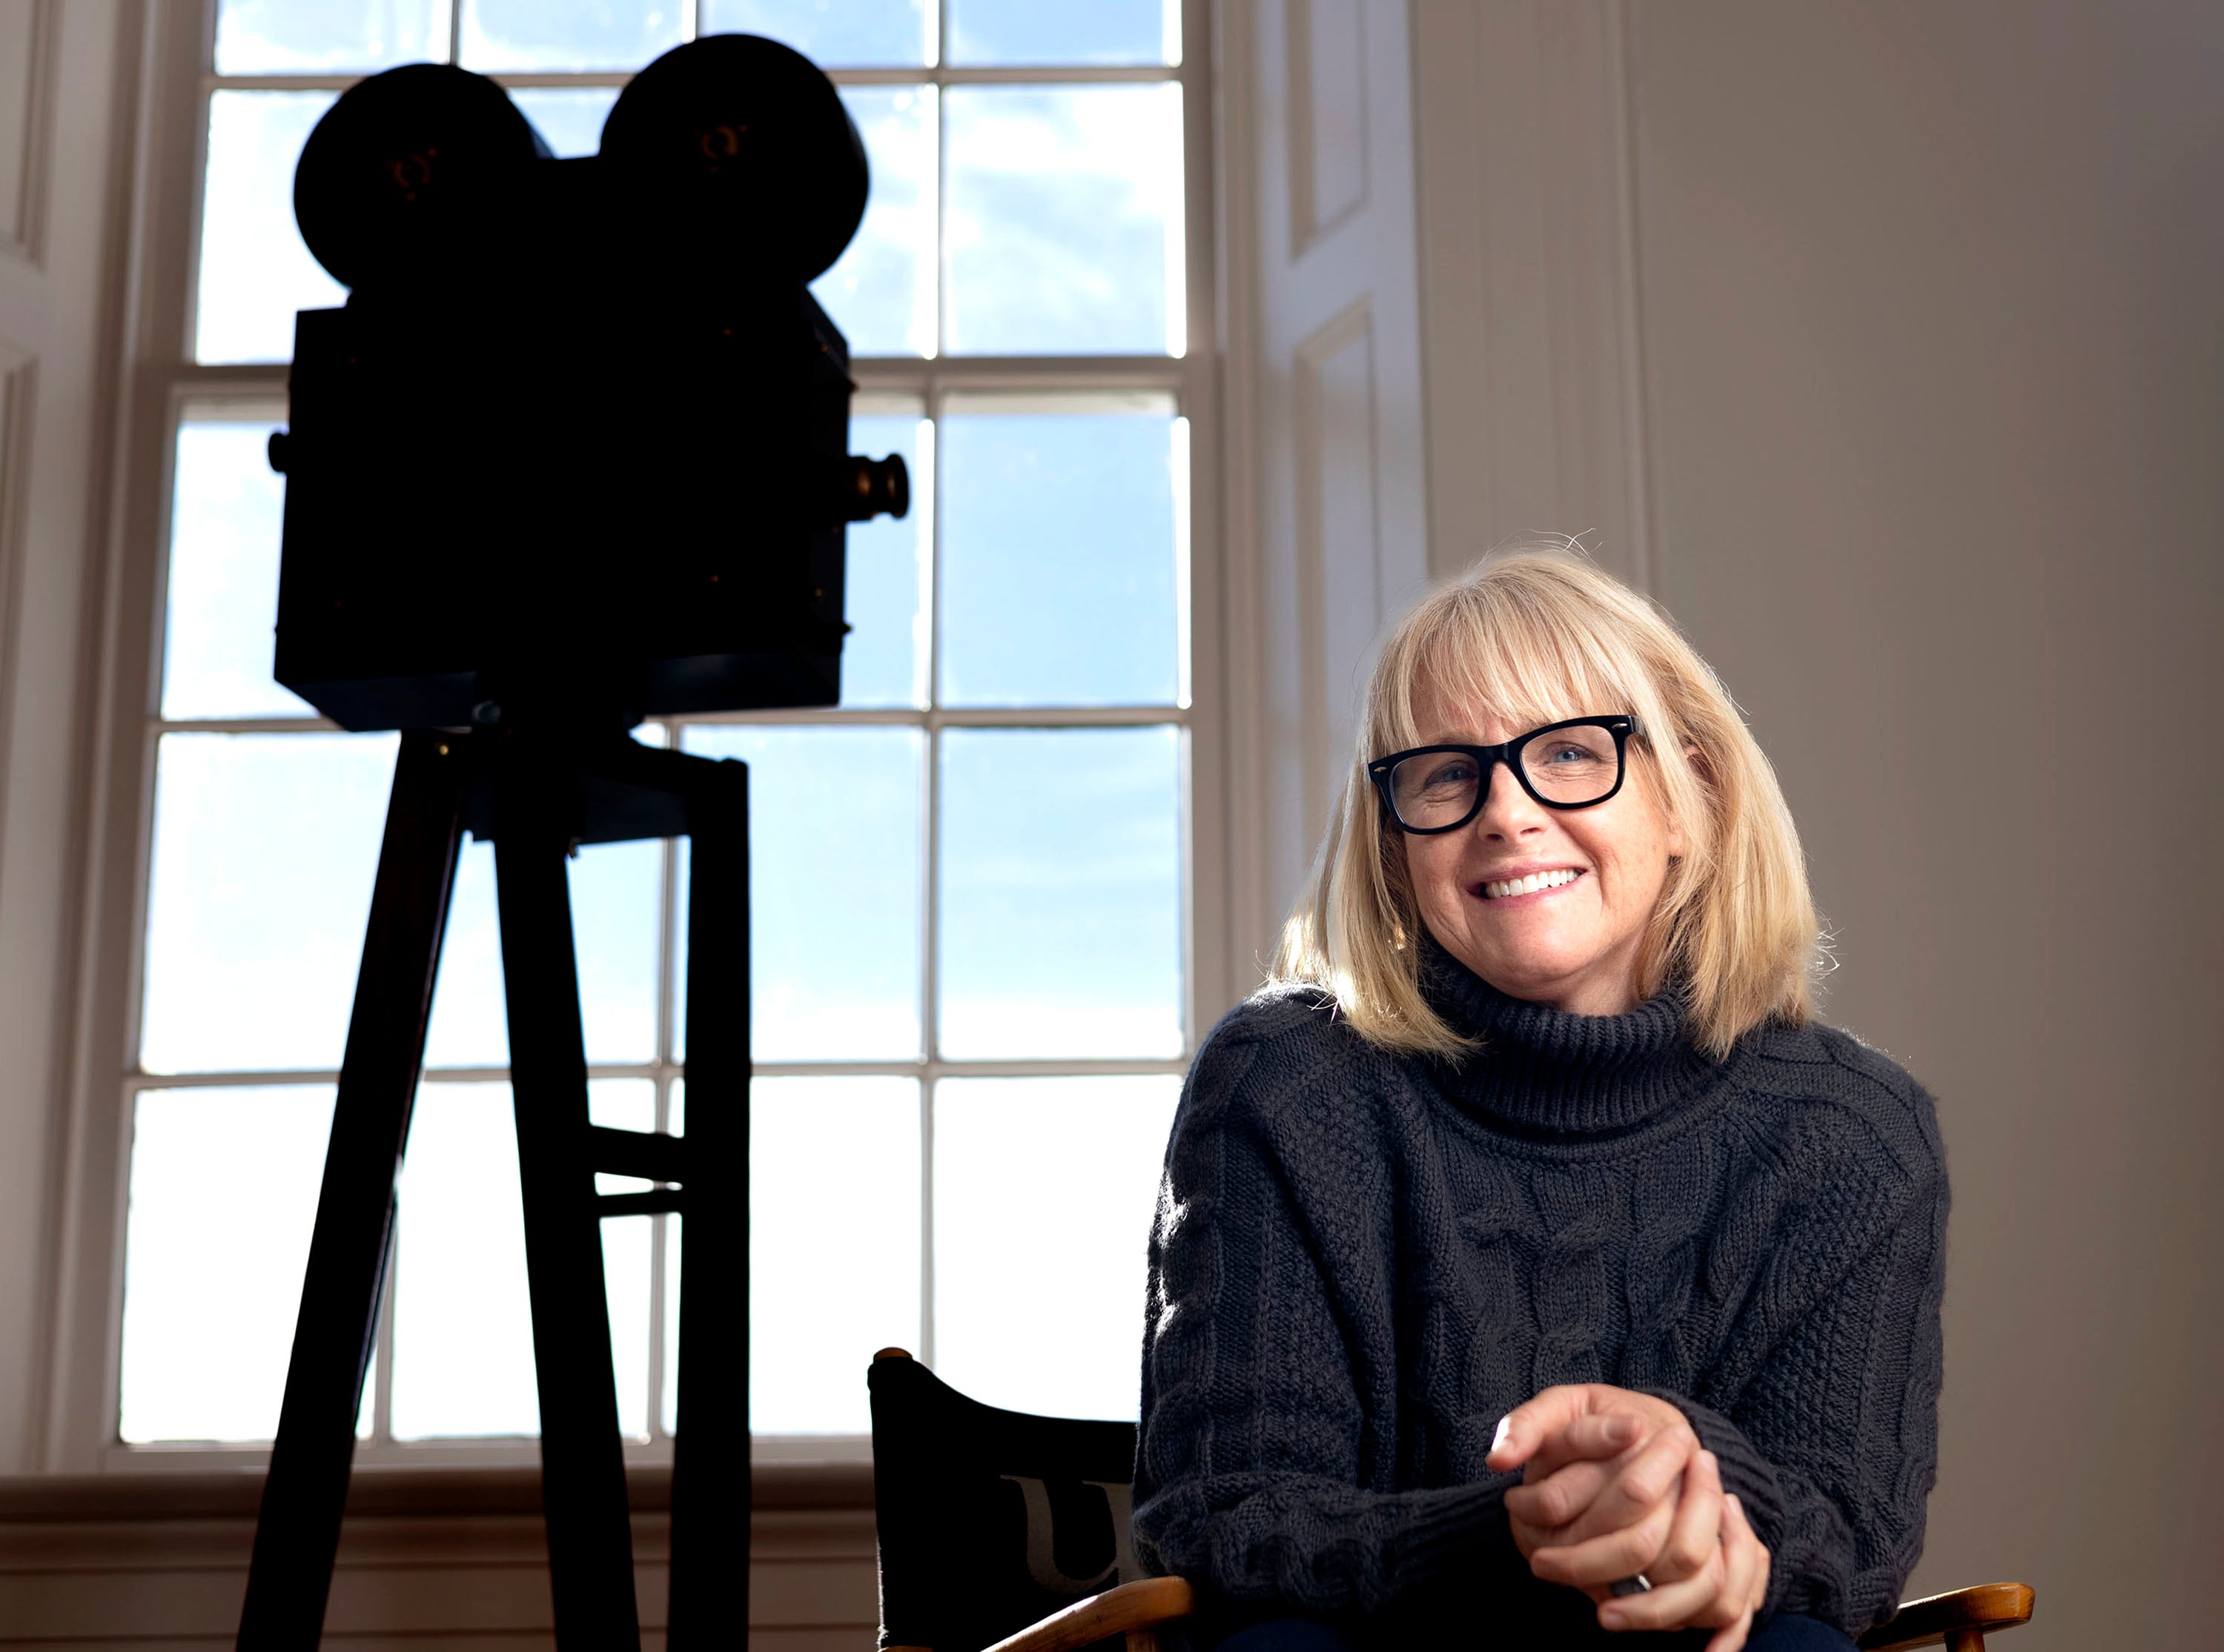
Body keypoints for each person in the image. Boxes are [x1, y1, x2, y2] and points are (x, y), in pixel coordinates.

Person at [1132, 551, 1947, 1652]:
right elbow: (1224, 1518)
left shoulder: (1854, 1137)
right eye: (1445, 774)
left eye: (1570, 752)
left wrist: (1687, 1474)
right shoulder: (1284, 1084)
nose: (1508, 813)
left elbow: (1850, 1543)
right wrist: (1521, 1526)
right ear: (1393, 840)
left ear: (1689, 796)